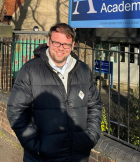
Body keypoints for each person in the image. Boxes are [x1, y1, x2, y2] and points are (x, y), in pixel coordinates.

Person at [7, 23, 102, 161]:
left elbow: (95, 105)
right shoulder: (30, 70)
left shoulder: (83, 70)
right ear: (48, 41)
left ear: (73, 45)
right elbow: (15, 110)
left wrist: (89, 138)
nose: (60, 48)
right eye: (56, 43)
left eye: (66, 44)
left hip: (77, 156)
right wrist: (35, 146)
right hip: (41, 157)